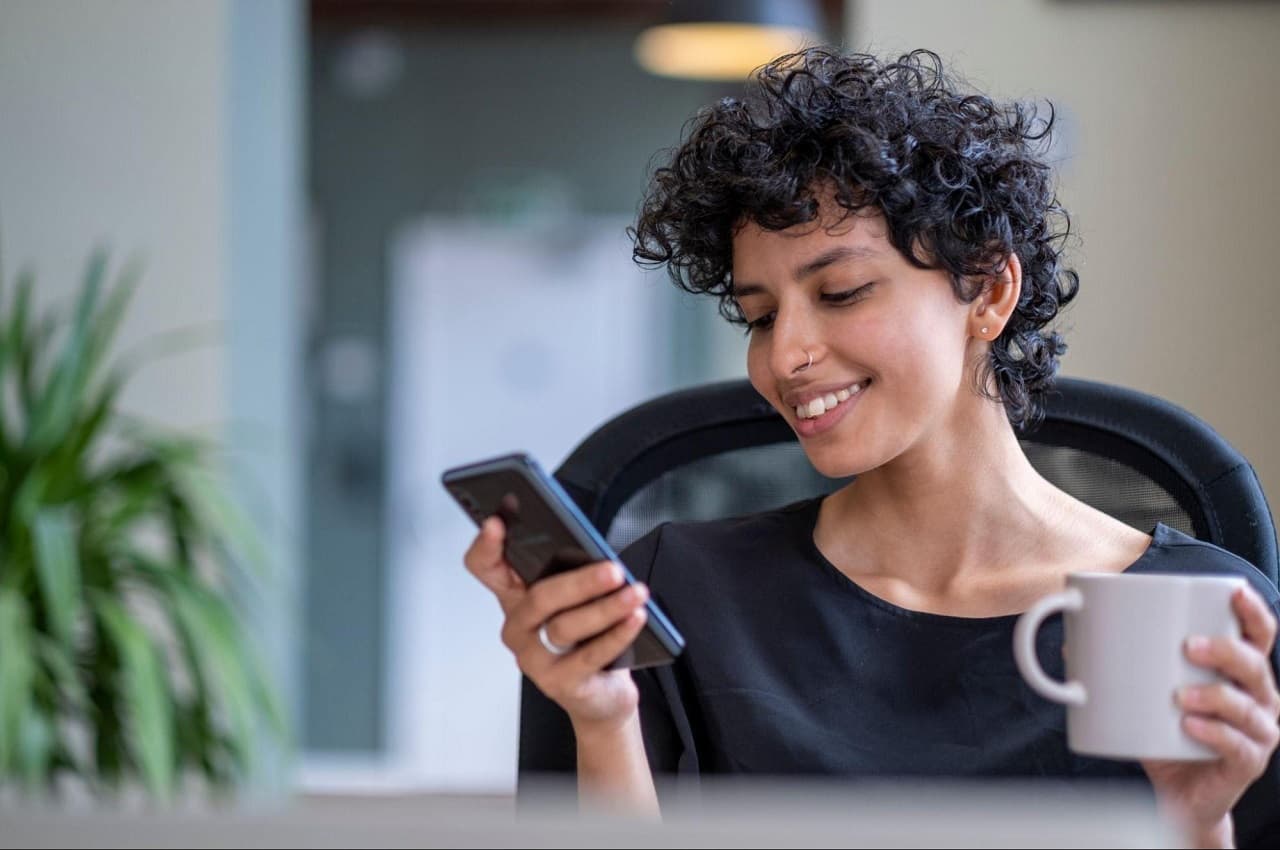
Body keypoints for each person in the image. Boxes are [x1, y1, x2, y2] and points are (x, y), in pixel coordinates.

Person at [463, 48, 1280, 848]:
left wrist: (1196, 826)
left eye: (841, 292)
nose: (785, 356)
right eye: (760, 315)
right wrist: (606, 725)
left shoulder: (1200, 614)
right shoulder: (671, 594)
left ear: (990, 290)